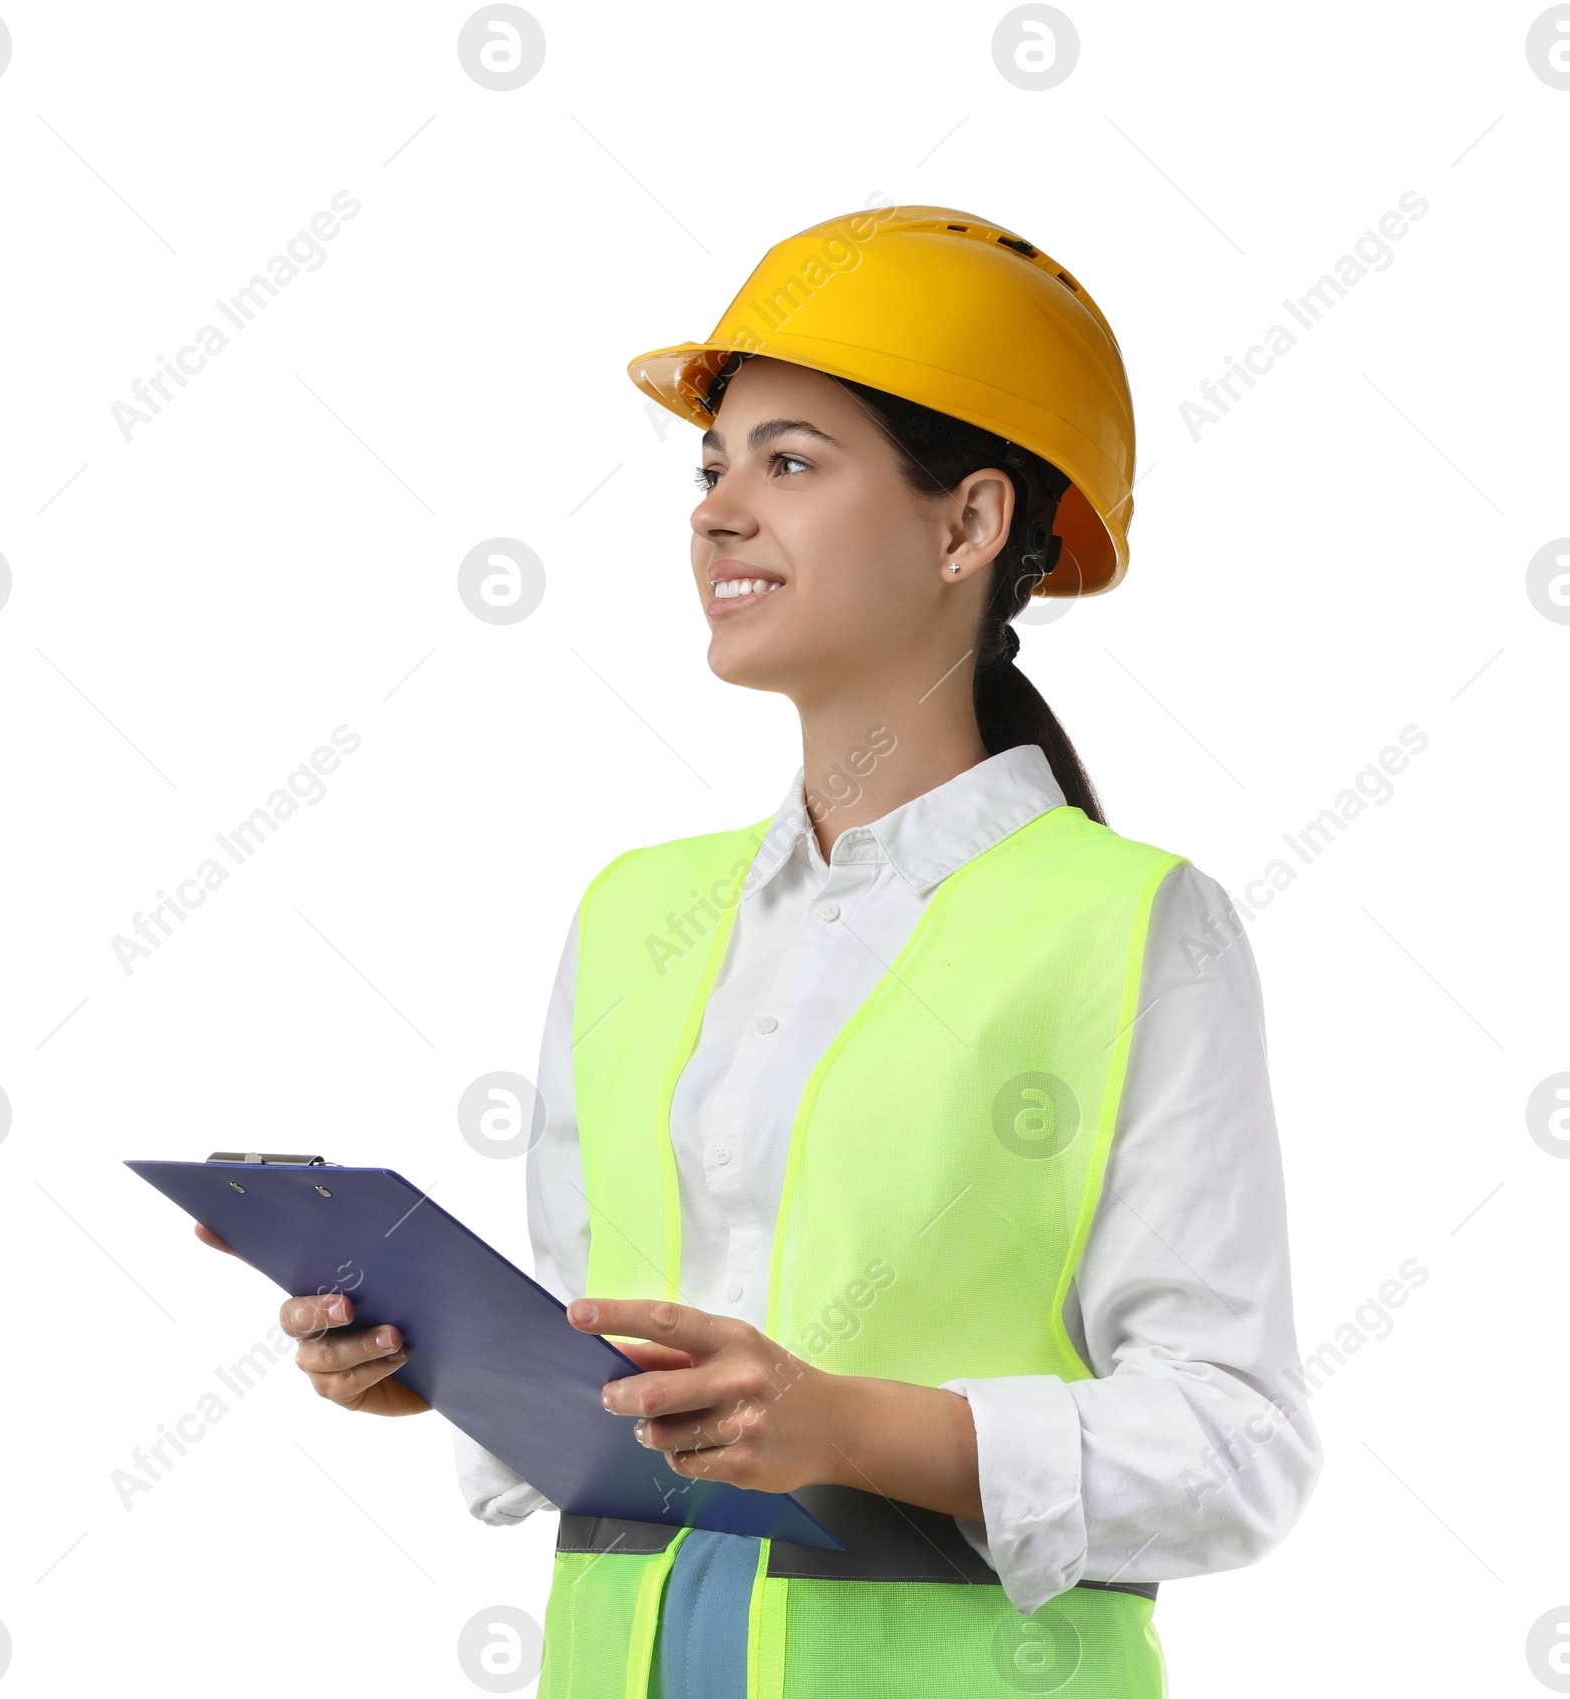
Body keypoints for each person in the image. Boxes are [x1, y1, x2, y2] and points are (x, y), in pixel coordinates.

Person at [209, 204, 1325, 1698]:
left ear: (968, 524)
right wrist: (435, 1366)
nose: (719, 511)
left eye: (790, 462)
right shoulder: (633, 915)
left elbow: (1236, 1447)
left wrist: (851, 1427)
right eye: (714, 465)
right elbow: (608, 1365)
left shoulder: (1132, 927)